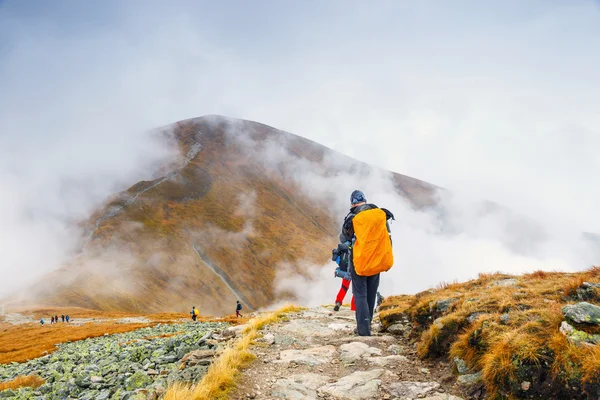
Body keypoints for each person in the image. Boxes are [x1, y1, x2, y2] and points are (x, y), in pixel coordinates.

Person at [340, 190, 394, 336]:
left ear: (353, 203)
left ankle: (363, 330)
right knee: (371, 292)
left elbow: (343, 239)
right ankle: (368, 324)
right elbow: (387, 234)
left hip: (360, 260)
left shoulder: (353, 216)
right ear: (365, 200)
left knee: (360, 294)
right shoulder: (378, 215)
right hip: (376, 259)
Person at [331, 243, 356, 312]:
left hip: (345, 271)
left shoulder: (344, 245)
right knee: (356, 290)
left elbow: (336, 258)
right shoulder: (356, 244)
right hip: (355, 271)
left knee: (344, 288)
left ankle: (338, 302)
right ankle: (354, 308)